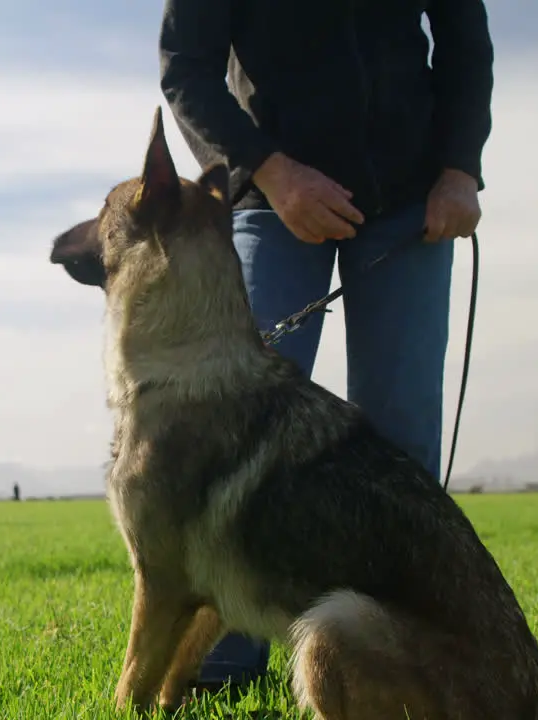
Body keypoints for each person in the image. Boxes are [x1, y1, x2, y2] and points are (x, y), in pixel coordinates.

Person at [158, 0, 494, 691]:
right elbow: (186, 68)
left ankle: (405, 665)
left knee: (399, 448)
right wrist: (272, 173)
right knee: (233, 428)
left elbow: (464, 38)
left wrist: (460, 168)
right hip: (267, 196)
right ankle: (224, 664)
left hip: (409, 202)